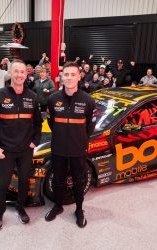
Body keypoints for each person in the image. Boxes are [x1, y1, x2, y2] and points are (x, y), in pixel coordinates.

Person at [0, 60, 42, 230]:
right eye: (16, 71)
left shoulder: (33, 97)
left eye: (22, 72)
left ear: (27, 74)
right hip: (6, 151)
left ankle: (20, 207)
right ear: (10, 73)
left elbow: (38, 122)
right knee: (3, 183)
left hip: (25, 150)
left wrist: (35, 141)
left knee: (24, 181)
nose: (19, 75)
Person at [45, 61, 96, 228]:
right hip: (58, 148)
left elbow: (90, 125)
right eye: (66, 74)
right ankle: (58, 206)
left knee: (78, 181)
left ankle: (79, 210)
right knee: (58, 180)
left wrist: (79, 139)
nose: (69, 77)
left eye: (72, 74)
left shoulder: (88, 100)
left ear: (79, 76)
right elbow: (51, 122)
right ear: (61, 76)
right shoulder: (52, 99)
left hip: (78, 149)